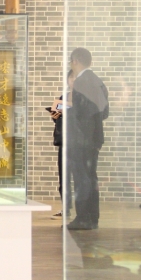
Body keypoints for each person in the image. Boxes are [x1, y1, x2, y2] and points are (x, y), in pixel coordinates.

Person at [67, 47, 109, 230]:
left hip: (81, 139)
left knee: (81, 178)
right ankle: (92, 217)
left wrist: (68, 112)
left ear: (75, 61)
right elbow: (104, 112)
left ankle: (83, 218)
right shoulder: (98, 81)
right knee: (91, 178)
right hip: (94, 139)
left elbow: (80, 114)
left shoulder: (81, 82)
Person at [49, 69, 75, 219]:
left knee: (79, 178)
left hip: (79, 143)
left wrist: (67, 107)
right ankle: (66, 208)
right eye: (70, 78)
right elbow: (54, 116)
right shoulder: (63, 97)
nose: (73, 81)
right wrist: (61, 109)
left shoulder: (85, 98)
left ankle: (82, 211)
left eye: (75, 78)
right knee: (63, 177)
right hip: (64, 142)